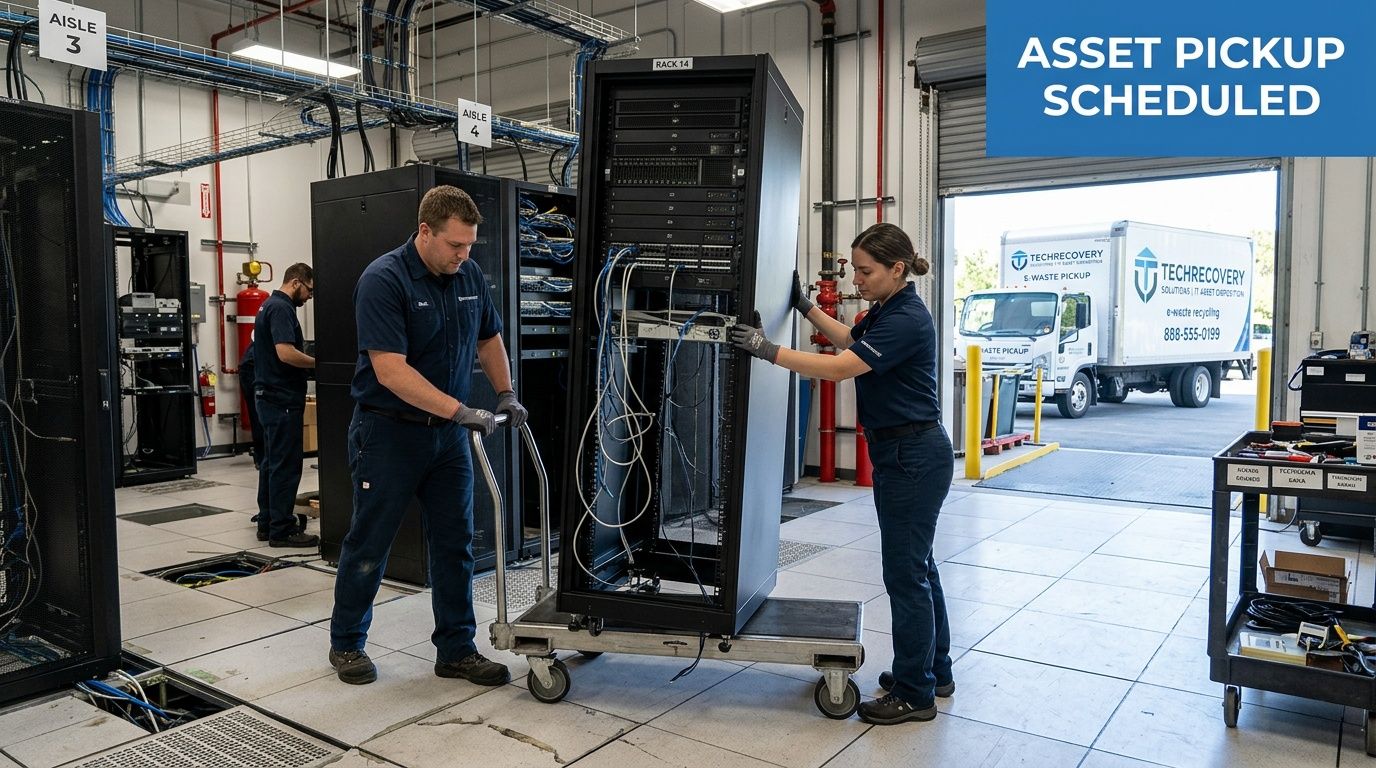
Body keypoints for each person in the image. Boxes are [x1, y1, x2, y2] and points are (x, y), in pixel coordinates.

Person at [730, 222, 954, 725]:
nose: (857, 278)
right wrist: (806, 306)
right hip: (906, 452)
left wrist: (767, 350)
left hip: (911, 457)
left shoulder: (908, 318)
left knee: (906, 574)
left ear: (898, 269)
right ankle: (932, 671)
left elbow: (840, 367)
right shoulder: (888, 309)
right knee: (920, 567)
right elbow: (851, 338)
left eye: (866, 270)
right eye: (855, 268)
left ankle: (915, 694)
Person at [328, 185, 528, 687]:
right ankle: (347, 643)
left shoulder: (469, 274)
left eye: (469, 246)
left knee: (456, 543)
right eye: (455, 246)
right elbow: (391, 371)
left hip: (447, 440)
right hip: (388, 434)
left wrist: (504, 392)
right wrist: (461, 410)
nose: (464, 256)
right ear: (424, 232)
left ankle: (457, 650)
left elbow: (488, 337)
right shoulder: (384, 279)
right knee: (370, 541)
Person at [253, 264, 319, 548]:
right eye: (309, 290)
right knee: (286, 465)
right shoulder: (281, 308)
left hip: (268, 396)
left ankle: (268, 522)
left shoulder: (267, 305)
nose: (309, 297)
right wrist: (320, 364)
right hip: (281, 399)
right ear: (296, 282)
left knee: (271, 462)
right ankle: (282, 529)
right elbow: (286, 353)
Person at [239, 341, 264, 469]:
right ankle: (262, 457)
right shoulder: (277, 322)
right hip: (252, 370)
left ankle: (262, 457)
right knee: (259, 416)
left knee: (258, 416)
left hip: (251, 367)